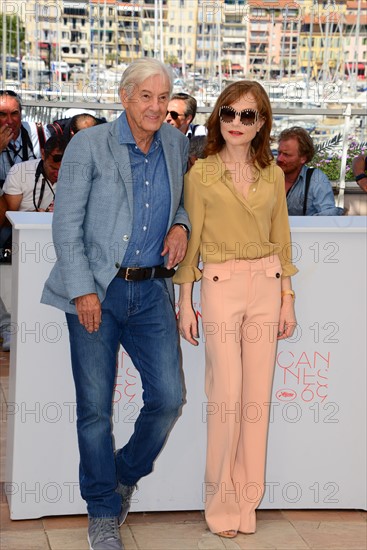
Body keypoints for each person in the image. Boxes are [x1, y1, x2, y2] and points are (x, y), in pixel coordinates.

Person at [41, 58, 190, 550]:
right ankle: (103, 510)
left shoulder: (173, 142)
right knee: (94, 411)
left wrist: (181, 226)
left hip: (150, 292)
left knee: (169, 398)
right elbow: (66, 225)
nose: (155, 106)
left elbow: (181, 201)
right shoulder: (89, 145)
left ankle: (122, 474)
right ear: (125, 97)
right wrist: (83, 288)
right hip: (96, 291)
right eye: (145, 96)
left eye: (162, 96)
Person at [174, 81, 298, 538]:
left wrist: (288, 299)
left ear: (262, 122)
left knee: (254, 405)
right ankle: (221, 506)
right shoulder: (201, 173)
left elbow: (282, 239)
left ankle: (248, 506)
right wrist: (184, 304)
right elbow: (191, 247)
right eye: (229, 113)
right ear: (217, 117)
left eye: (248, 115)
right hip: (221, 285)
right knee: (225, 399)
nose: (237, 123)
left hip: (267, 284)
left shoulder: (271, 175)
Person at [276, 126, 344, 215]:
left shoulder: (316, 178)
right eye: (279, 153)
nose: (279, 159)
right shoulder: (269, 176)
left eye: (286, 154)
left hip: (300, 229)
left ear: (303, 158)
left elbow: (328, 215)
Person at [3, 135, 68, 212]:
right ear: (43, 154)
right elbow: (8, 218)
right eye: (53, 168)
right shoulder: (19, 172)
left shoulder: (77, 175)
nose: (57, 174)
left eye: (63, 170)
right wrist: (32, 216)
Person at [0, 90, 50, 187]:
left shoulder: (40, 133)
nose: (10, 121)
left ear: (21, 113)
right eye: (2, 115)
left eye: (14, 113)